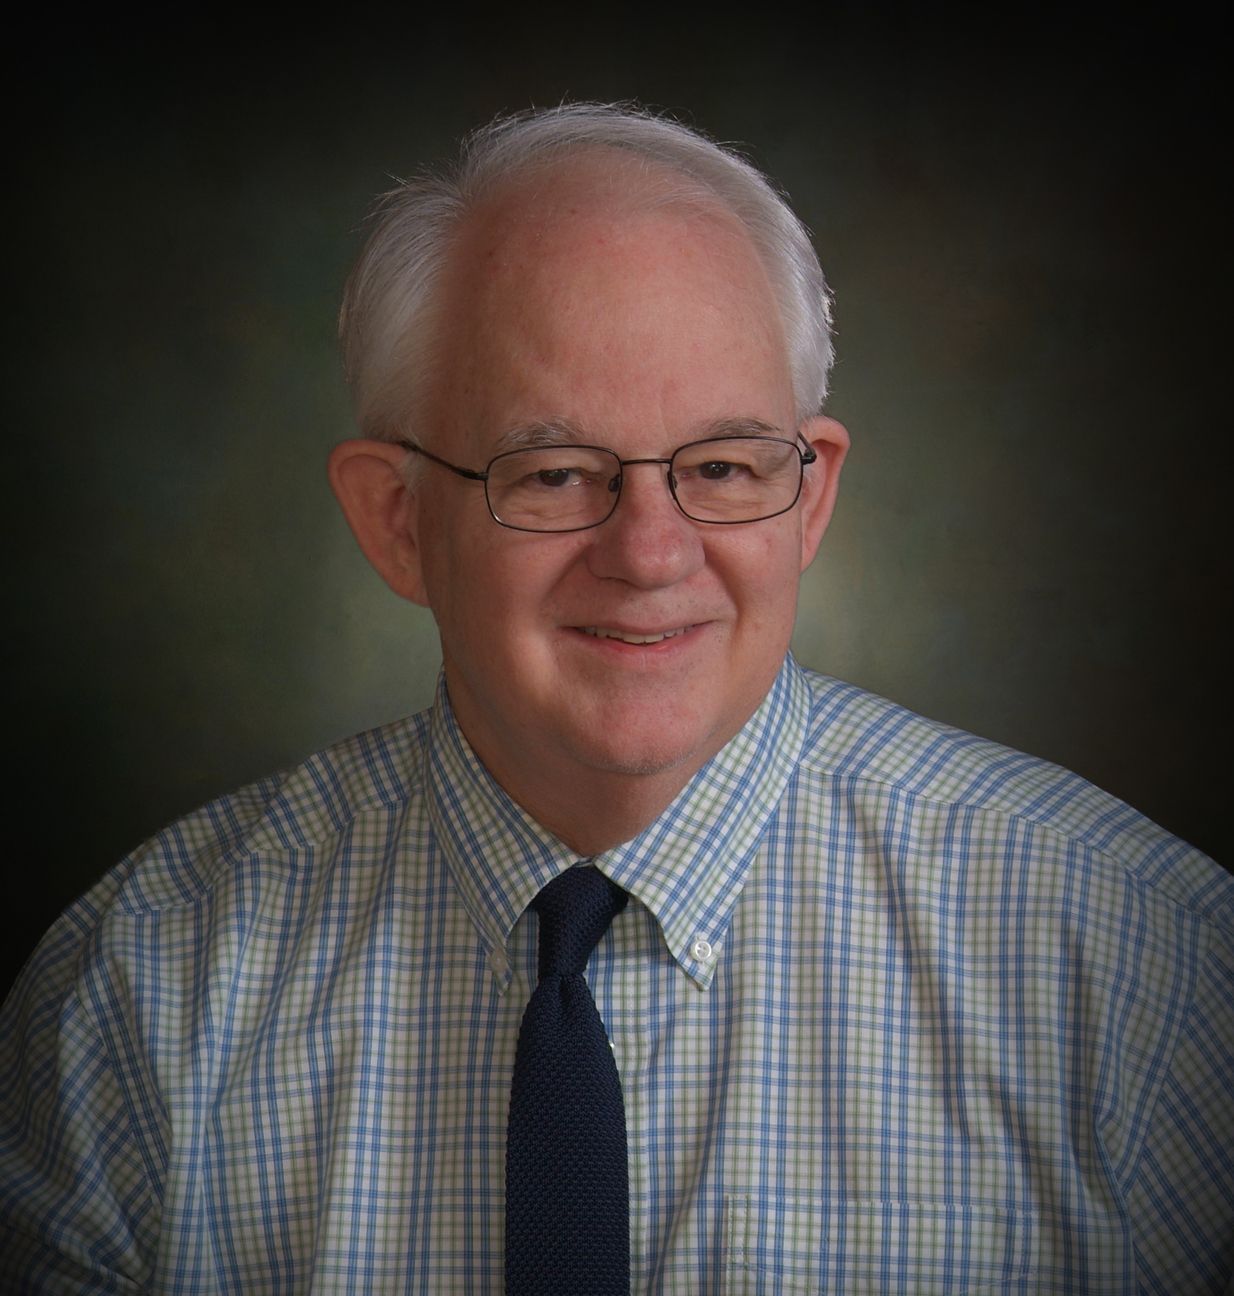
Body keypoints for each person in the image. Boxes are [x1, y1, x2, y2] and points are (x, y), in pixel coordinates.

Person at [1, 103, 1230, 1295]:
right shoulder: (141, 997)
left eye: (723, 466)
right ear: (396, 522)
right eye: (553, 473)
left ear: (808, 498)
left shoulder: (1139, 968)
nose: (650, 551)